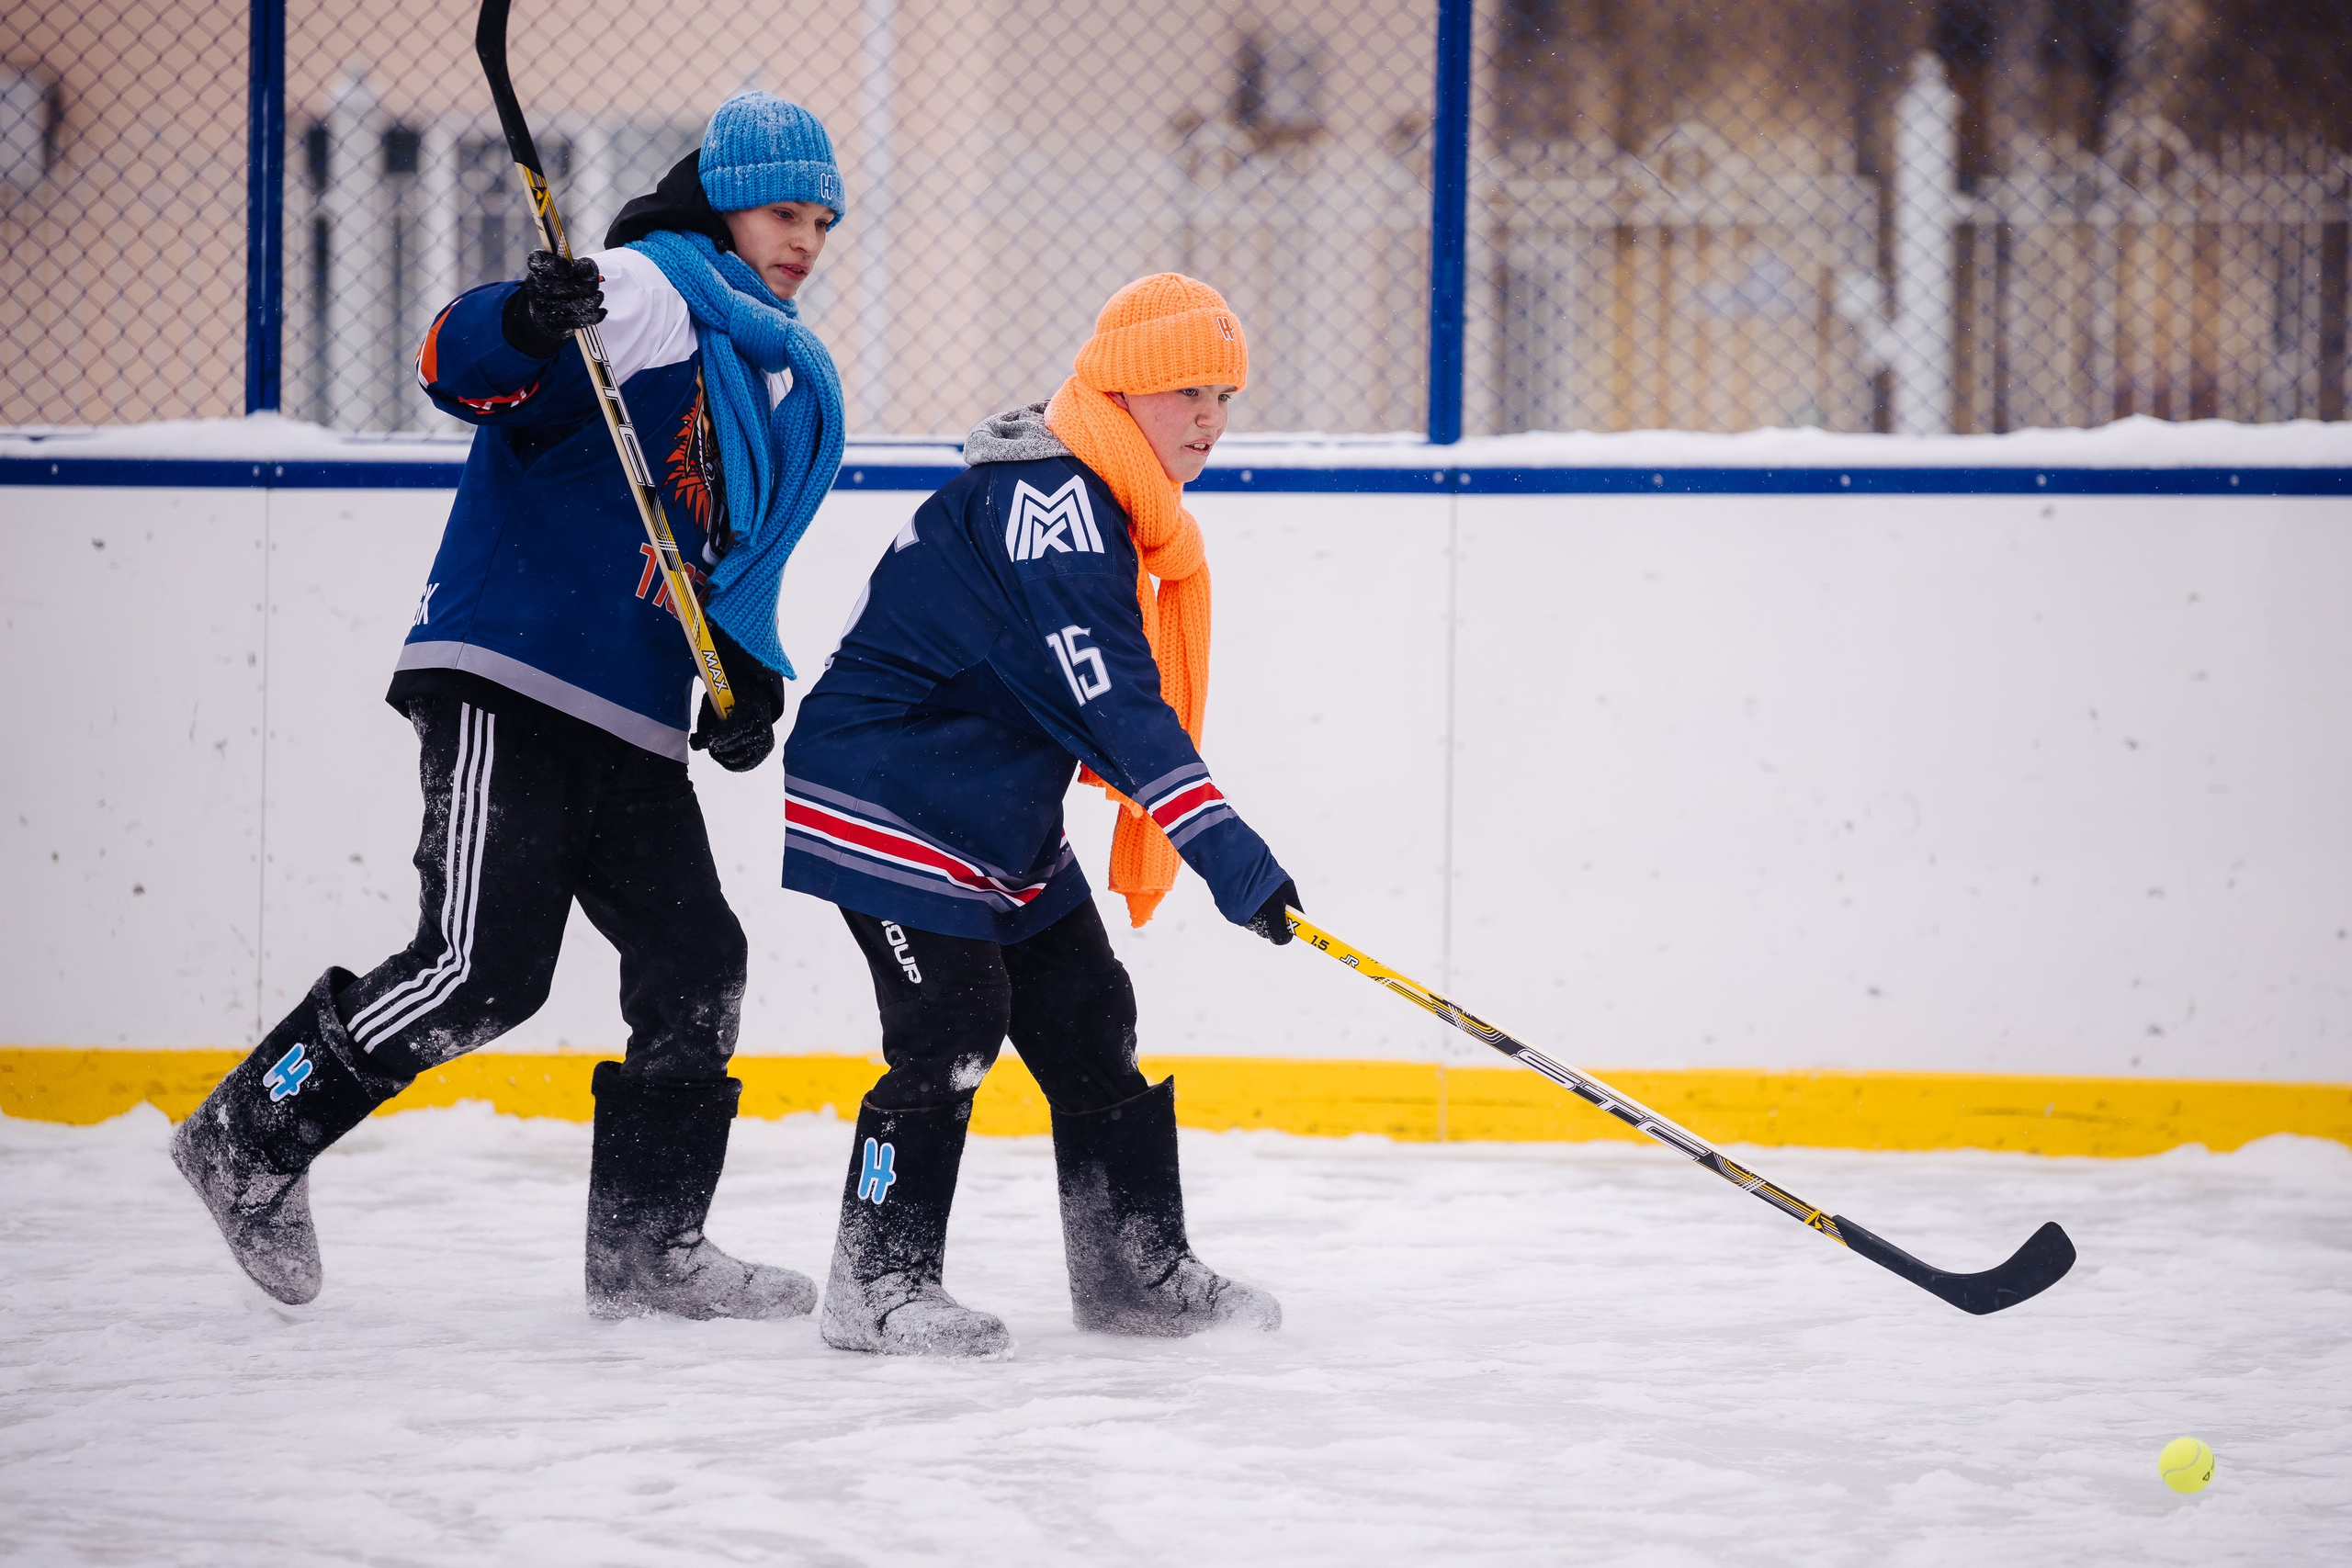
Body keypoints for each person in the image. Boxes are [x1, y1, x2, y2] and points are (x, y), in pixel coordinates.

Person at [173, 93, 846, 1320]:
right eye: (781, 211)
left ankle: (649, 1247)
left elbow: (715, 554)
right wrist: (529, 319)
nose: (803, 238)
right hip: (516, 676)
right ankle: (250, 1131)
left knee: (697, 961)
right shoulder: (652, 289)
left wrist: (741, 677)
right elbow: (455, 359)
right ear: (723, 205)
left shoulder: (755, 363)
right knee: (478, 969)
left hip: (632, 716)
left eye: (821, 220)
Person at [780, 274, 1300, 1358]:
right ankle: (874, 1284)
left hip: (990, 799)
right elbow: (1112, 699)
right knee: (950, 1030)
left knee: (1088, 1016)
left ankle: (1133, 1275)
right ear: (1123, 390)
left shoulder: (1098, 498)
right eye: (1186, 391)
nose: (1209, 417)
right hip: (888, 785)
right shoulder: (1052, 504)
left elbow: (1089, 698)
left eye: (1223, 395)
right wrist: (1225, 849)